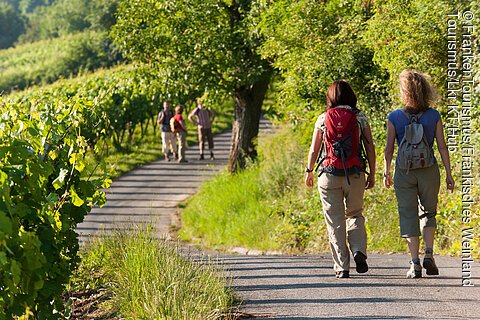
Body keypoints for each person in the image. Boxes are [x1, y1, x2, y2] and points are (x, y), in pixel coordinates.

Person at [384, 70, 454, 278]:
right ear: (425, 90)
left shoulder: (394, 117)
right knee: (429, 212)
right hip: (429, 171)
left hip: (404, 172)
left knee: (408, 214)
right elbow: (442, 147)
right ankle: (429, 255)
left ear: (404, 92)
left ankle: (414, 263)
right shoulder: (433, 115)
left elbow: (388, 149)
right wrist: (449, 174)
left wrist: (386, 172)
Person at [305, 80, 376, 278]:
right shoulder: (359, 117)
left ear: (330, 98)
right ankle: (358, 251)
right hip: (354, 173)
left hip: (329, 175)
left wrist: (309, 170)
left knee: (335, 222)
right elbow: (369, 147)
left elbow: (314, 149)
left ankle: (342, 267)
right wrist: (372, 172)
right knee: (355, 214)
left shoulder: (322, 118)